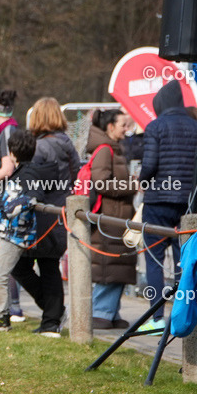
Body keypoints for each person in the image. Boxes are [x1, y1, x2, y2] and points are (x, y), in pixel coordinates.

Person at [16, 97, 79, 337]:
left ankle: (53, 316)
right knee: (49, 265)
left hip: (43, 213)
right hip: (61, 210)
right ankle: (51, 317)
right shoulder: (68, 144)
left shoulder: (40, 147)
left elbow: (31, 180)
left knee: (21, 264)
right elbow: (74, 174)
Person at [139, 79, 197, 332]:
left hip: (158, 200)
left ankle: (156, 319)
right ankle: (181, 318)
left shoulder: (155, 127)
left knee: (154, 259)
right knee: (183, 262)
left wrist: (142, 181)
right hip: (188, 202)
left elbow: (149, 166)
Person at [0, 130, 45, 330]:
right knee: (11, 273)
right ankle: (4, 315)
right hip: (11, 233)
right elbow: (12, 194)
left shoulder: (29, 173)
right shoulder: (21, 171)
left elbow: (34, 195)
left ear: (12, 152)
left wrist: (13, 206)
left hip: (17, 235)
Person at [87, 109, 138, 330]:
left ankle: (110, 311)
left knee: (118, 267)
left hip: (116, 216)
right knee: (111, 266)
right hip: (111, 218)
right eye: (123, 125)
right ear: (110, 127)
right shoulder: (105, 150)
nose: (126, 130)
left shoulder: (112, 149)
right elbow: (101, 182)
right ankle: (101, 312)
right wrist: (131, 185)